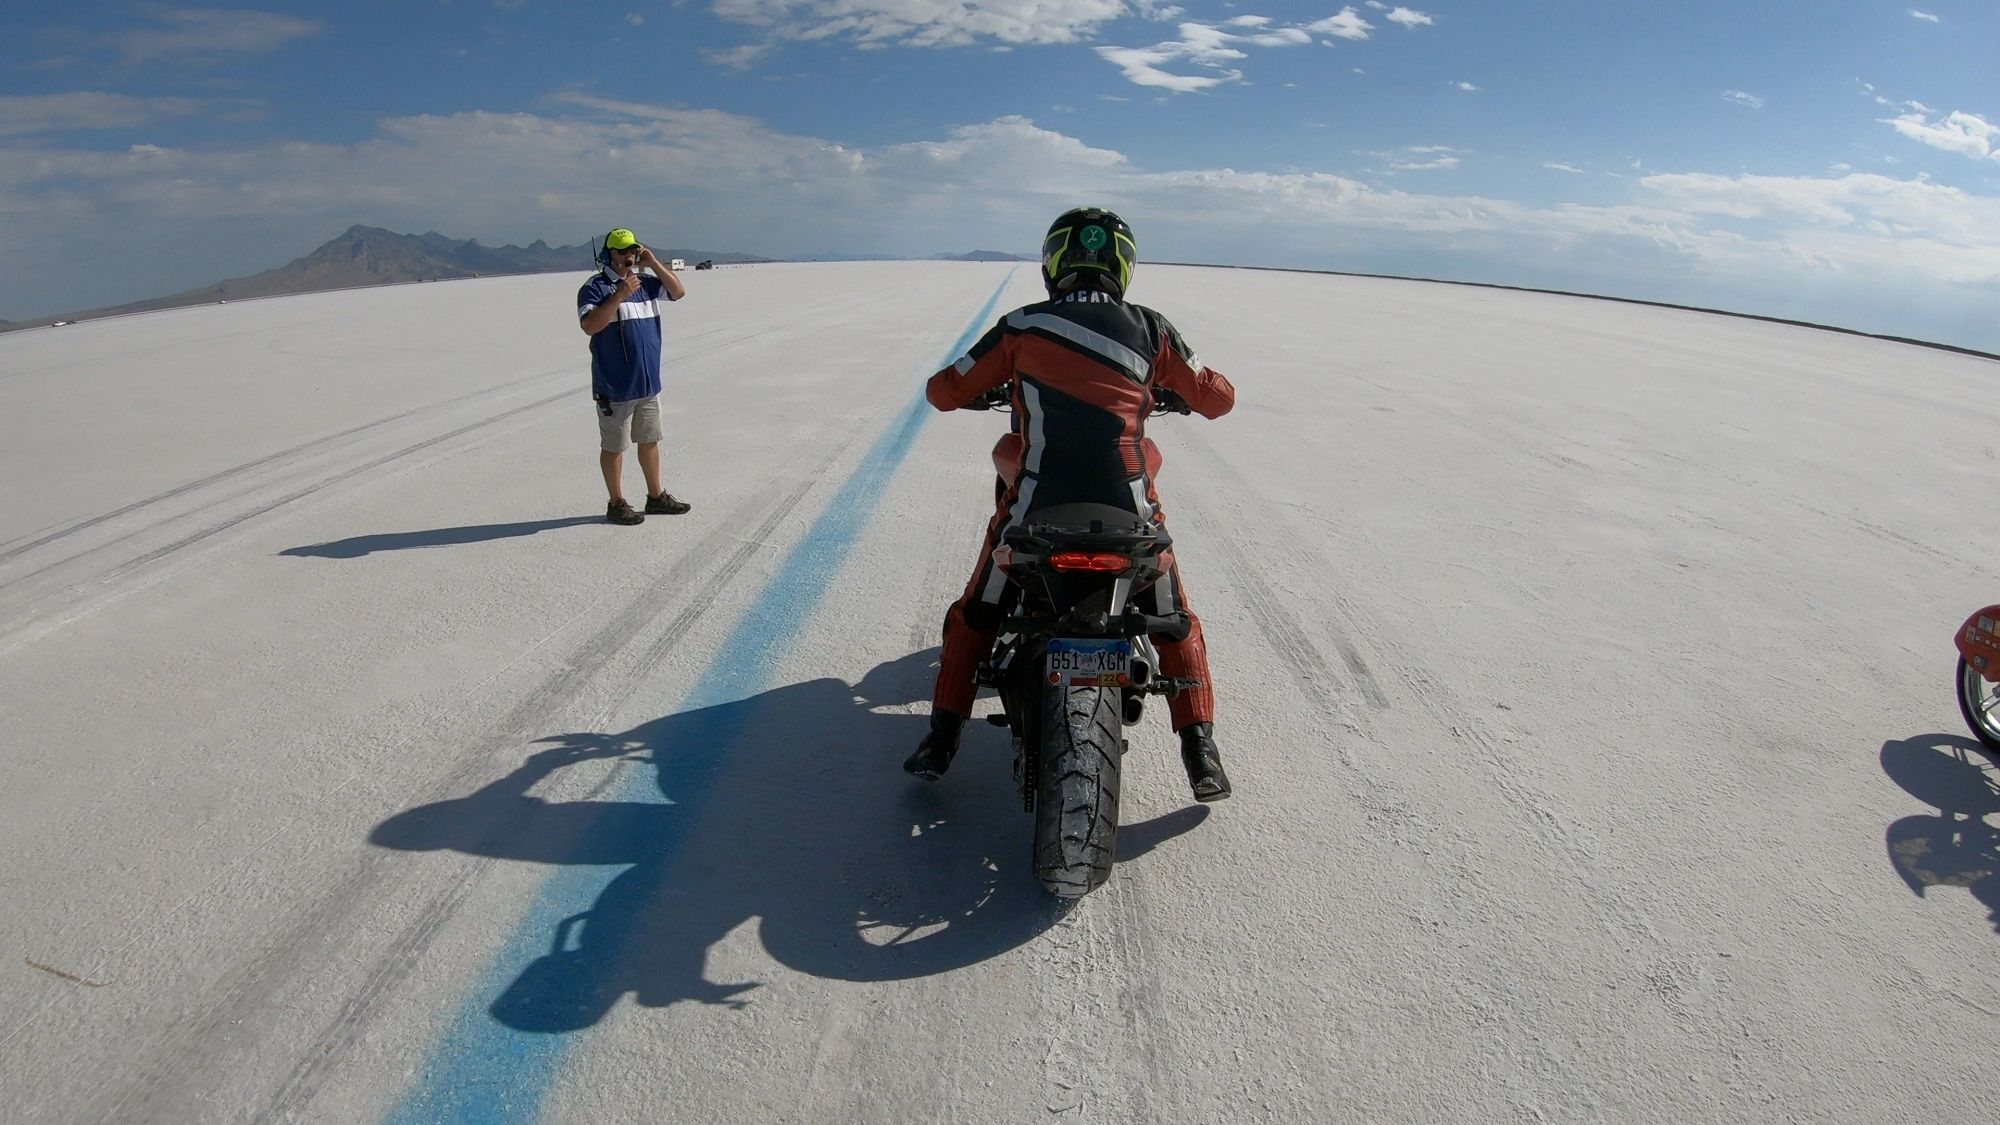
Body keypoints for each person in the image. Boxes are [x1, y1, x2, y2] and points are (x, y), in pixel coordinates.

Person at [905, 207, 1237, 802]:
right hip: (1127, 519)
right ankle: (1200, 748)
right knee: (1175, 618)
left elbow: (943, 390)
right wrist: (1177, 384)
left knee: (976, 614)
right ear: (1124, 265)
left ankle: (942, 737)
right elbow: (1218, 400)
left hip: (1036, 515)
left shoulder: (1021, 325)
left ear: (1054, 262)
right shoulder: (1152, 328)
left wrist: (1001, 383)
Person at [578, 227, 690, 525]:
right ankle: (616, 503)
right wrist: (618, 295)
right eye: (622, 251)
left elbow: (678, 292)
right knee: (614, 446)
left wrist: (653, 263)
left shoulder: (647, 284)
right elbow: (590, 325)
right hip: (615, 386)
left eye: (632, 250)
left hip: (648, 383)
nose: (628, 256)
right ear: (608, 255)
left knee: (650, 439)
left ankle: (655, 497)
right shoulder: (595, 288)